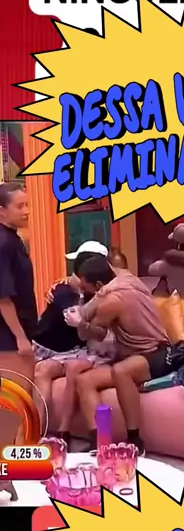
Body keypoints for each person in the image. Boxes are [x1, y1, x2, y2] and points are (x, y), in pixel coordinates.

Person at [64, 256, 170, 455]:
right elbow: (96, 299)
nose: (86, 292)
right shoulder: (124, 276)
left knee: (121, 371)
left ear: (99, 285)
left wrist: (79, 322)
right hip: (129, 355)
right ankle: (100, 441)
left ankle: (135, 441)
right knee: (84, 381)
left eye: (86, 288)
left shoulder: (112, 302)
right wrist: (85, 302)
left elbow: (92, 334)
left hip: (156, 353)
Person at [33, 246, 115, 445]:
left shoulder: (106, 293)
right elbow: (72, 314)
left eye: (79, 273)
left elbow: (94, 329)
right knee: (42, 370)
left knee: (74, 369)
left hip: (85, 350)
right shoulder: (63, 289)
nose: (74, 277)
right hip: (54, 348)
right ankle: (36, 432)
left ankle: (64, 432)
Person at [0, 182, 37, 448]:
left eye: (27, 205)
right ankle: (13, 460)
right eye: (20, 206)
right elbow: (3, 297)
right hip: (8, 336)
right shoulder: (3, 243)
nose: (26, 211)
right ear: (2, 211)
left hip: (16, 332)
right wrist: (20, 337)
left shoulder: (13, 239)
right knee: (16, 399)